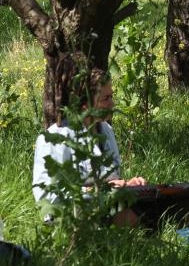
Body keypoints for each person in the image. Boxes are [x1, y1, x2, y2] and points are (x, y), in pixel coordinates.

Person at [32, 69, 147, 226]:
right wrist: (100, 190)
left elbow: (111, 180)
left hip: (105, 207)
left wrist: (129, 186)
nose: (112, 104)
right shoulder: (55, 139)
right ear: (85, 105)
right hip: (70, 220)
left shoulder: (106, 130)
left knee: (161, 209)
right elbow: (48, 197)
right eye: (106, 98)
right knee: (131, 220)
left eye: (111, 96)